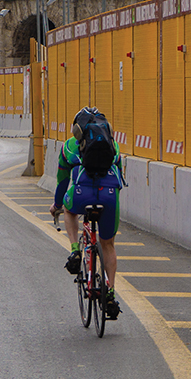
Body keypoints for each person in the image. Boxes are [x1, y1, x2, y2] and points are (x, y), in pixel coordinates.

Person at [50, 107, 124, 320]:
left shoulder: (69, 147)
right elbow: (120, 178)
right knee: (108, 244)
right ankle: (110, 291)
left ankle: (75, 250)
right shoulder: (114, 146)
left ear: (77, 130)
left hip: (82, 195)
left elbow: (62, 182)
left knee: (70, 211)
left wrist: (56, 205)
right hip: (109, 197)